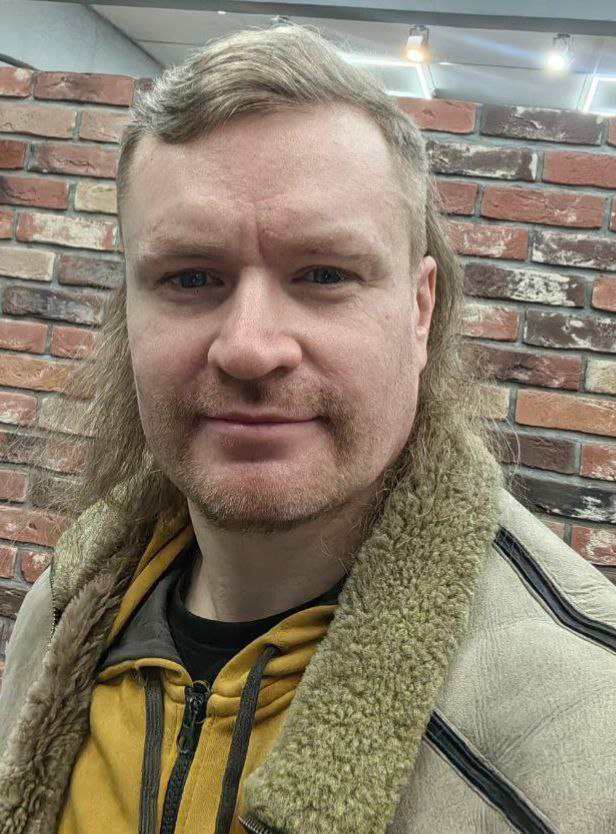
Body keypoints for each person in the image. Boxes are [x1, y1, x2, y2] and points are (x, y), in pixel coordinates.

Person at [0, 22, 615, 834]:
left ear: (419, 311)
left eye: (324, 274)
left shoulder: (583, 733)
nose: (251, 348)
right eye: (191, 277)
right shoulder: (63, 610)